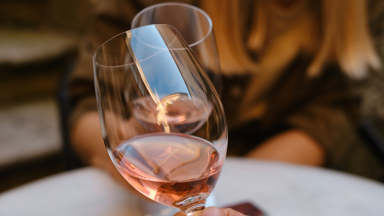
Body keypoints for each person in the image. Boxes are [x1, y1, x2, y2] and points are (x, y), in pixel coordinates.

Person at [69, 0, 384, 193]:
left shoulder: (368, 9)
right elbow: (86, 102)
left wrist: (206, 189)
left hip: (260, 177)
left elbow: (334, 113)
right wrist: (130, 153)